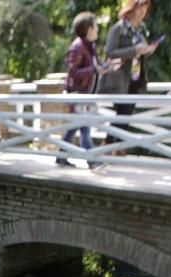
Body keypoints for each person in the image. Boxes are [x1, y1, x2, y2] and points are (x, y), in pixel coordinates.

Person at [95, 0, 159, 150]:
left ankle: (116, 147)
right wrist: (134, 51)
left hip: (136, 77)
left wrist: (148, 50)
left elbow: (140, 52)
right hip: (119, 79)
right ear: (131, 9)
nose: (142, 13)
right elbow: (110, 53)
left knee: (127, 114)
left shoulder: (141, 29)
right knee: (122, 112)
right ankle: (109, 146)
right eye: (139, 9)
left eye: (145, 9)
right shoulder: (117, 29)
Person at [58, 12, 112, 169]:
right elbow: (73, 73)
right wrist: (94, 69)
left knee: (74, 127)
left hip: (86, 94)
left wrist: (106, 67)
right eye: (96, 27)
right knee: (85, 128)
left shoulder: (90, 46)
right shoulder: (77, 47)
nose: (98, 30)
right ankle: (92, 159)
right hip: (78, 94)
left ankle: (61, 156)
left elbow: (94, 68)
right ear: (88, 29)